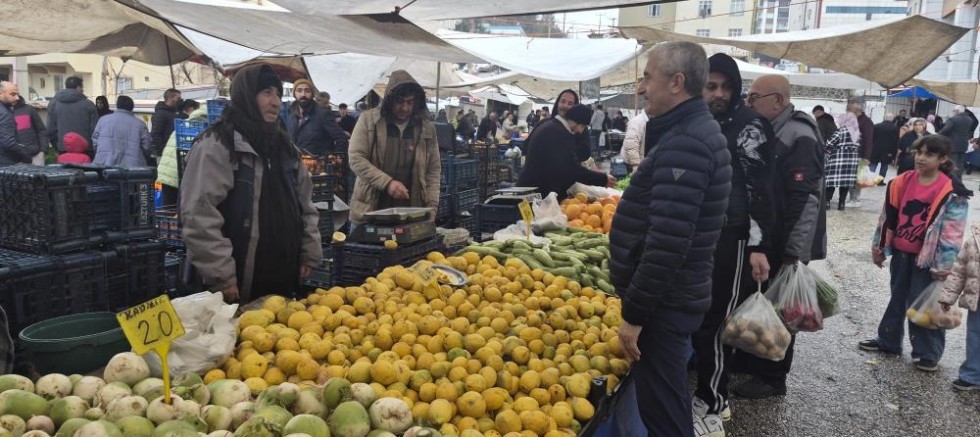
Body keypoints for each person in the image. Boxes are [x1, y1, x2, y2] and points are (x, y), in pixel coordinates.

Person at [608, 41, 731, 437]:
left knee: (662, 410)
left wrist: (635, 315)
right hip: (676, 294)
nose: (641, 87)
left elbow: (668, 242)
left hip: (665, 301)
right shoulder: (689, 132)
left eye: (647, 77)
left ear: (676, 82)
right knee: (667, 398)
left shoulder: (688, 142)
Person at [181, 64, 321, 303]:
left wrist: (310, 251)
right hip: (239, 280)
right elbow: (199, 214)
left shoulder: (286, 149)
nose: (276, 101)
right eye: (267, 92)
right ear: (246, 94)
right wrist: (222, 275)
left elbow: (305, 206)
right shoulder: (219, 145)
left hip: (282, 276)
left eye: (278, 93)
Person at [692, 53, 775, 437]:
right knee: (700, 316)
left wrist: (759, 245)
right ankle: (707, 393)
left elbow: (761, 190)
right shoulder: (698, 122)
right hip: (700, 235)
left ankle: (713, 403)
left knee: (717, 321)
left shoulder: (749, 126)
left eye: (726, 87)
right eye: (711, 86)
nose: (719, 94)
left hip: (734, 237)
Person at [740, 74, 827, 398]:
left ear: (777, 100)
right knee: (760, 298)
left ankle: (773, 376)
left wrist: (793, 252)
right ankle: (752, 361)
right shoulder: (770, 130)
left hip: (785, 241)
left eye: (754, 98)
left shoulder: (799, 135)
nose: (749, 104)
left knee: (781, 308)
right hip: (768, 236)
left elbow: (806, 199)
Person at [861, 135, 970, 372]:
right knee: (897, 297)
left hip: (929, 259)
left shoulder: (952, 191)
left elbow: (953, 233)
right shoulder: (902, 182)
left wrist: (943, 266)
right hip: (901, 252)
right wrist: (879, 248)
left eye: (929, 154)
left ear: (942, 159)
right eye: (919, 152)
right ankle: (889, 341)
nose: (921, 158)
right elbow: (886, 219)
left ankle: (927, 353)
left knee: (923, 306)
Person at [347, 70, 441, 226]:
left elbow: (433, 170)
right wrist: (387, 183)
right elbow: (356, 158)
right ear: (389, 100)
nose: (404, 108)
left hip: (410, 214)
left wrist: (432, 206)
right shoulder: (369, 121)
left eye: (410, 102)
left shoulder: (427, 129)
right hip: (369, 211)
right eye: (400, 102)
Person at [516, 104, 616, 201]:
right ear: (577, 122)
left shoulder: (553, 126)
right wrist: (603, 179)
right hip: (532, 193)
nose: (581, 131)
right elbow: (571, 169)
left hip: (532, 189)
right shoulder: (560, 133)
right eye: (582, 126)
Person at [939, 221, 980, 391]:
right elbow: (959, 270)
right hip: (978, 300)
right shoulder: (975, 240)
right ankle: (973, 375)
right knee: (975, 336)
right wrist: (948, 296)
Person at [280, 79, 349, 156]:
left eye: (307, 91)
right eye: (299, 91)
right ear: (294, 94)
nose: (303, 94)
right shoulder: (289, 114)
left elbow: (341, 138)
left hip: (317, 165)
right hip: (295, 164)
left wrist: (333, 160)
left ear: (312, 94)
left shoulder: (322, 114)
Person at [158, 104, 208, 206]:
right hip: (179, 177)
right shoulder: (204, 129)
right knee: (181, 210)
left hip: (166, 174)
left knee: (169, 210)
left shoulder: (183, 125)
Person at [92, 96, 153, 167]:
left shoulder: (103, 120)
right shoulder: (140, 124)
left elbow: (95, 141)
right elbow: (147, 146)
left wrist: (101, 152)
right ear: (132, 107)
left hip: (105, 164)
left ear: (117, 105)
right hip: (133, 167)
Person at [46, 76, 98, 154]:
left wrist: (56, 145)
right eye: (82, 88)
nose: (83, 90)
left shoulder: (53, 103)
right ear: (78, 87)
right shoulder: (88, 104)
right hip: (85, 149)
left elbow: (50, 129)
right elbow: (94, 129)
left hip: (63, 147)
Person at [824, 113, 862, 211]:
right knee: (845, 182)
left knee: (831, 181)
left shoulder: (841, 131)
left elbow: (829, 143)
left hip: (838, 158)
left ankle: (827, 202)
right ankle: (841, 204)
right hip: (852, 160)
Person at [0, 81, 38, 166]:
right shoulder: (5, 113)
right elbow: (8, 143)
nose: (17, 98)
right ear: (1, 94)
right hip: (5, 162)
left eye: (17, 94)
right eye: (12, 94)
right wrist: (26, 156)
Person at [550, 90, 592, 162]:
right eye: (563, 102)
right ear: (557, 103)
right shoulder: (546, 125)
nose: (565, 106)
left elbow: (585, 152)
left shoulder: (580, 128)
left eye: (570, 103)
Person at [846, 101, 874, 206]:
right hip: (850, 153)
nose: (847, 110)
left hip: (860, 154)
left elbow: (868, 140)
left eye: (849, 109)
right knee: (850, 177)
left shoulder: (866, 122)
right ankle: (851, 197)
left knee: (857, 178)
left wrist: (867, 156)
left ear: (857, 110)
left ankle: (855, 199)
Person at [938, 105, 973, 178]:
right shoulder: (969, 119)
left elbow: (946, 130)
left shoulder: (953, 119)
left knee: (952, 163)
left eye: (953, 111)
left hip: (953, 144)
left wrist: (937, 135)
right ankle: (959, 179)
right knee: (960, 163)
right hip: (964, 144)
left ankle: (953, 180)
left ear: (956, 111)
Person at [11, 95, 47, 165]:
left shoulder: (29, 109)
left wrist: (42, 151)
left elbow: (41, 130)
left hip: (35, 156)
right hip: (13, 158)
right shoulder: (3, 112)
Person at [151, 88, 181, 161]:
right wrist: (164, 150)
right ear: (171, 98)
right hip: (165, 154)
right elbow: (156, 134)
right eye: (179, 98)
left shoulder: (172, 112)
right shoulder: (161, 114)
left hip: (171, 152)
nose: (180, 101)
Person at [871, 113, 900, 181]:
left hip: (875, 149)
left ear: (884, 117)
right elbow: (895, 141)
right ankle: (879, 181)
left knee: (873, 164)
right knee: (884, 165)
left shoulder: (876, 126)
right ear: (892, 119)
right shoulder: (895, 128)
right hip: (888, 151)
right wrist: (893, 153)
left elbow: (872, 138)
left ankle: (870, 180)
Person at [622, 106, 649, 172]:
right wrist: (635, 164)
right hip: (633, 163)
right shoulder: (637, 122)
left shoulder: (649, 121)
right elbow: (631, 143)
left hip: (643, 161)